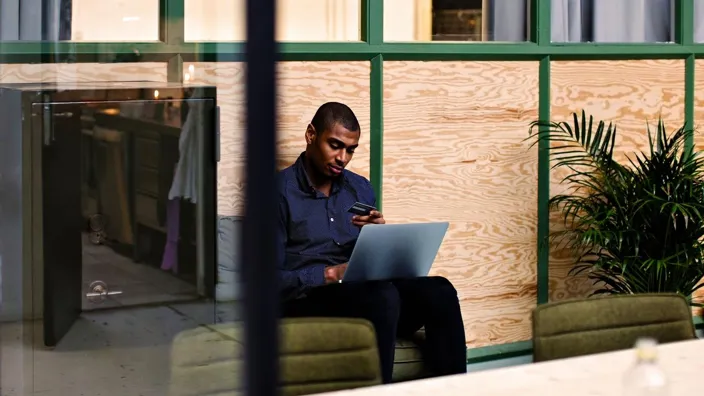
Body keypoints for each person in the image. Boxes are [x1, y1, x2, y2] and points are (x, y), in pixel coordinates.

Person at [277, 102, 467, 383]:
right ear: (311, 135)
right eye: (335, 145)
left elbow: (368, 265)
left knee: (439, 289)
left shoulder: (359, 187)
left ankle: (454, 389)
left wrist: (379, 239)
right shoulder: (277, 192)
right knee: (381, 297)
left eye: (351, 150)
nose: (343, 157)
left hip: (363, 300)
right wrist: (329, 273)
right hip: (306, 303)